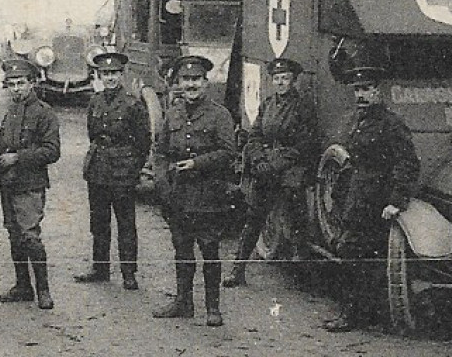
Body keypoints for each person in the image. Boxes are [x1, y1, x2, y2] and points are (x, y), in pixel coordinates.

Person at [322, 61, 420, 332]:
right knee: (354, 256)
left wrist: (396, 201)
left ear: (378, 91)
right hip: (357, 196)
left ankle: (353, 316)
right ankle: (361, 313)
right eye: (357, 90)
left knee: (362, 258)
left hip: (377, 201)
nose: (361, 96)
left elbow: (407, 163)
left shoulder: (391, 124)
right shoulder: (359, 121)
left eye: (366, 89)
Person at [152, 55, 237, 327]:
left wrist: (198, 163)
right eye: (186, 80)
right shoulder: (173, 112)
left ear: (205, 82)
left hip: (208, 195)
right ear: (179, 83)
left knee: (210, 250)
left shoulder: (219, 114)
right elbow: (161, 150)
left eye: (196, 80)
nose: (191, 85)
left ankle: (213, 308)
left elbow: (228, 152)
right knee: (182, 250)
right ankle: (183, 302)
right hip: (179, 195)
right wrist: (162, 182)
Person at [226, 57, 318, 287]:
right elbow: (255, 135)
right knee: (254, 218)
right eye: (277, 79)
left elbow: (305, 145)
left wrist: (275, 164)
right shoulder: (268, 104)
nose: (281, 83)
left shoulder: (303, 107)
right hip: (266, 168)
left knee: (296, 221)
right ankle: (238, 270)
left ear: (293, 81)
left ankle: (303, 276)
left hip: (289, 169)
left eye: (285, 78)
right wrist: (258, 160)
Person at [0, 58, 62, 310]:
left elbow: (52, 151)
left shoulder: (44, 113)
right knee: (14, 234)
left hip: (30, 184)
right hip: (7, 182)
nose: (17, 88)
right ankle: (22, 286)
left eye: (21, 83)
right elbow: (1, 140)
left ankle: (43, 290)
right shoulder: (11, 111)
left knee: (30, 235)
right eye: (12, 84)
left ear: (32, 83)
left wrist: (17, 157)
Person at [75, 52, 151, 290]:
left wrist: (132, 168)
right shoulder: (95, 101)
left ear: (121, 75)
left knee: (125, 223)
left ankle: (129, 272)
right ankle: (100, 268)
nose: (110, 78)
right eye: (105, 74)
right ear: (100, 75)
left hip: (122, 171)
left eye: (114, 74)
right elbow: (93, 134)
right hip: (98, 169)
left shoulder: (132, 104)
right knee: (99, 222)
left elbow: (143, 141)